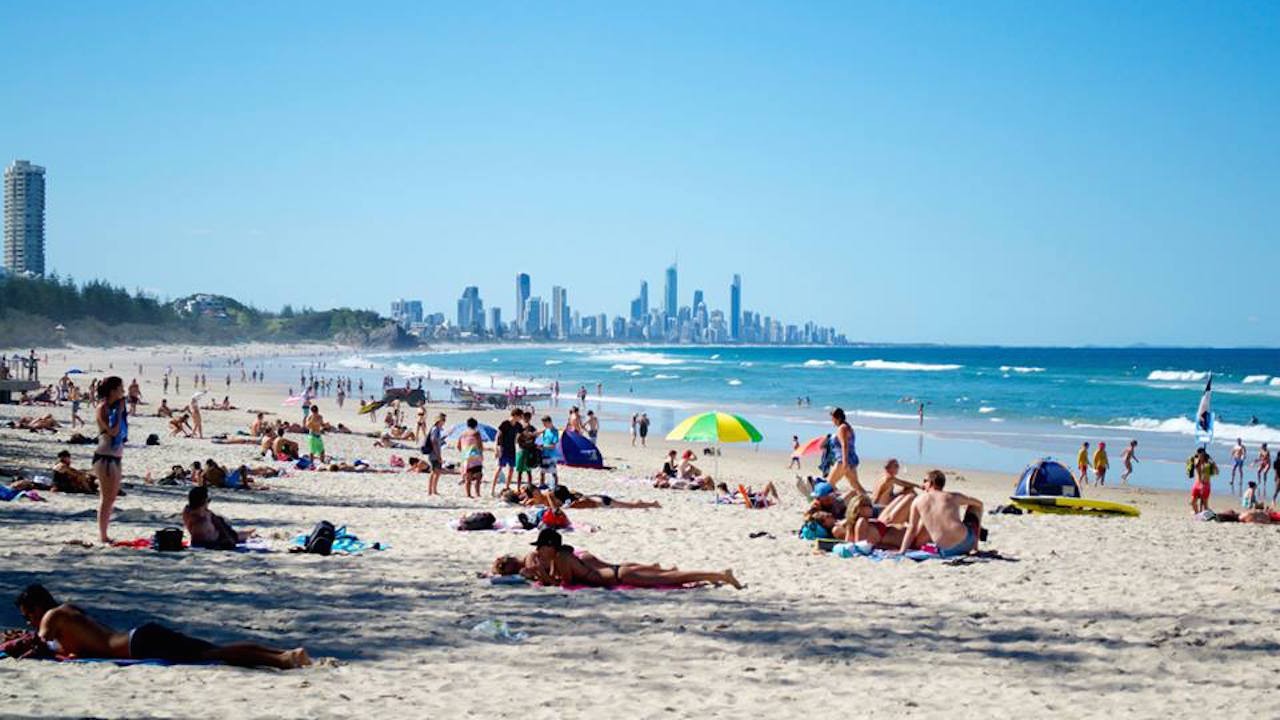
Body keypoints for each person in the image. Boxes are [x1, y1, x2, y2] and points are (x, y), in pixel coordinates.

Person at [15, 584, 309, 669]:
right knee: (211, 650)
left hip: (139, 644)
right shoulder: (67, 609)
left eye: (28, 613)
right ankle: (285, 654)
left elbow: (39, 643)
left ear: (38, 607)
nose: (28, 620)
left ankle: (283, 659)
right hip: (139, 637)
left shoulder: (51, 616)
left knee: (214, 654)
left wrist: (15, 646)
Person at [507, 528, 743, 589]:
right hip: (617, 572)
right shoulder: (563, 555)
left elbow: (565, 584)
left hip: (619, 576)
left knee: (671, 578)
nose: (538, 551)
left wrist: (540, 575)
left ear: (550, 546)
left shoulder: (562, 558)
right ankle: (715, 577)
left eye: (540, 547)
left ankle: (720, 575)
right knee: (667, 577)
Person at [899, 470, 983, 557]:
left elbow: (912, 529)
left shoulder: (918, 501)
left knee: (924, 544)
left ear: (931, 483)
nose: (923, 485)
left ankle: (973, 548)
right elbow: (979, 504)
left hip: (946, 550)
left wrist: (902, 551)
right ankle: (975, 548)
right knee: (976, 507)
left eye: (925, 481)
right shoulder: (953, 496)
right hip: (966, 543)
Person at [92, 377, 127, 544]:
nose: (123, 392)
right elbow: (112, 431)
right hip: (105, 458)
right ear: (113, 390)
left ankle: (104, 533)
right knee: (106, 498)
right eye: (120, 388)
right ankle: (103, 535)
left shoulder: (114, 408)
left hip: (115, 457)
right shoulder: (102, 408)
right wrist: (119, 413)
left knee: (111, 498)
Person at [182, 486, 255, 549]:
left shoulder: (187, 511)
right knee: (238, 535)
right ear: (204, 501)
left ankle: (250, 533)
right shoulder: (205, 516)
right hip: (215, 541)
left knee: (238, 534)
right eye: (208, 500)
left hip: (198, 541)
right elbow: (222, 531)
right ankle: (250, 533)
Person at [826, 408, 864, 495]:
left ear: (838, 418)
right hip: (852, 459)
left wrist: (844, 462)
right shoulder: (848, 426)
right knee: (855, 485)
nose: (832, 421)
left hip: (843, 460)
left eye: (832, 418)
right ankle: (870, 503)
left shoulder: (842, 428)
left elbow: (844, 445)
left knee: (829, 484)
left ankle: (827, 503)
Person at [492, 408, 521, 496]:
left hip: (512, 449)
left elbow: (522, 434)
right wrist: (496, 448)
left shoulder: (518, 425)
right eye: (520, 416)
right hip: (503, 448)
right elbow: (498, 436)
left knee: (511, 469)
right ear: (515, 415)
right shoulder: (505, 423)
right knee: (500, 467)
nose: (520, 418)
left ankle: (507, 487)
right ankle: (492, 489)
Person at [457, 417, 485, 498]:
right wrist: (481, 454)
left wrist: (464, 452)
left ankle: (468, 494)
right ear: (476, 425)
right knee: (478, 476)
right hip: (475, 457)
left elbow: (458, 446)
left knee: (467, 477)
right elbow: (480, 445)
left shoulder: (462, 434)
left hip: (465, 457)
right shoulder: (476, 433)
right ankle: (477, 493)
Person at [1188, 448, 1217, 514]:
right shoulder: (1196, 461)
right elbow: (1192, 462)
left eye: (1200, 454)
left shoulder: (1209, 463)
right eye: (1198, 454)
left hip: (1205, 485)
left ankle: (1209, 514)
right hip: (1197, 484)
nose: (1198, 456)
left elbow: (1217, 472)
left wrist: (1213, 464)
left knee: (1205, 505)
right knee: (1192, 502)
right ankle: (1197, 514)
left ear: (1203, 454)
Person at [538, 415, 561, 487]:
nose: (544, 425)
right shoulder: (545, 430)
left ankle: (555, 486)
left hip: (552, 455)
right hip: (544, 453)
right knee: (542, 471)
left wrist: (543, 446)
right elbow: (542, 440)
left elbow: (553, 446)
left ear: (549, 422)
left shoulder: (555, 432)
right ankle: (542, 484)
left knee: (553, 472)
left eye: (544, 423)